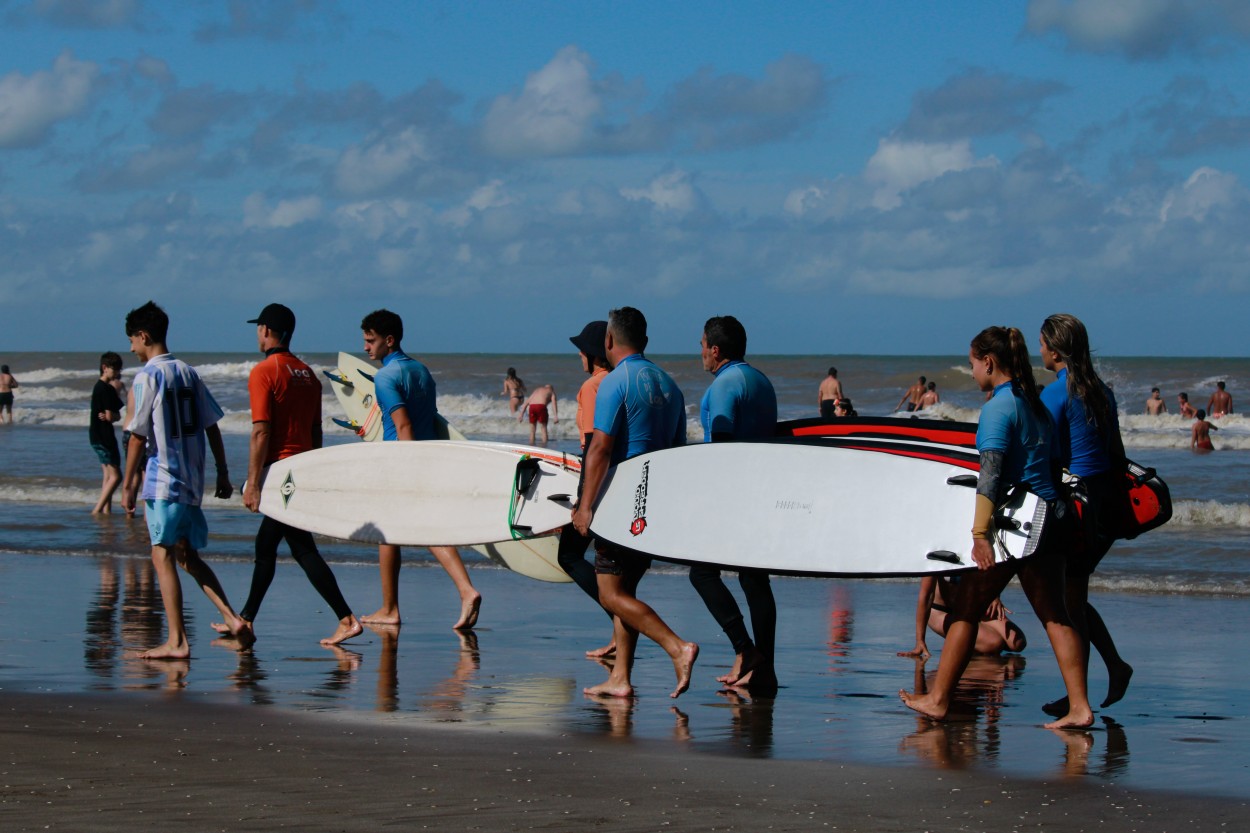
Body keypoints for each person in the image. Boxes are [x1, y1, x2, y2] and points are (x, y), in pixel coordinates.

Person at [899, 325, 1092, 729]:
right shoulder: (1033, 403)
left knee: (967, 605)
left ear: (988, 362)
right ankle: (1079, 707)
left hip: (1019, 526)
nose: (971, 372)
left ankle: (938, 699)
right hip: (1051, 519)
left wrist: (979, 536)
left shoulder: (999, 408)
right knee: (1055, 614)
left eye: (972, 364)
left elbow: (990, 477)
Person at [571, 306, 698, 699]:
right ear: (644, 340)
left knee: (610, 593)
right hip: (652, 504)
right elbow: (678, 453)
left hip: (621, 503)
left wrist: (586, 506)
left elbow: (601, 448)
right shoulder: (669, 385)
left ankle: (678, 647)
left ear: (609, 341)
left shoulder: (615, 382)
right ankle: (620, 678)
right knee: (626, 591)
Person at [217, 304, 362, 647]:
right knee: (278, 546)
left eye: (258, 328)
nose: (257, 334)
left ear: (266, 330)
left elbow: (261, 432)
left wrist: (253, 484)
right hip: (301, 473)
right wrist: (313, 476)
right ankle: (246, 620)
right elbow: (315, 433)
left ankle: (347, 618)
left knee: (296, 548)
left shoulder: (264, 372)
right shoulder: (309, 375)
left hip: (279, 476)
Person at [119, 301, 254, 658]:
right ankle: (233, 618)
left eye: (132, 340)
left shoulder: (148, 376)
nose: (131, 348)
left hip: (163, 480)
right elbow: (212, 425)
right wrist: (222, 473)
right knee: (186, 556)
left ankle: (177, 641)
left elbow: (136, 436)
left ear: (144, 336)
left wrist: (128, 483)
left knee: (160, 555)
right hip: (191, 481)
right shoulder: (188, 372)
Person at [357, 309, 481, 630]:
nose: (366, 348)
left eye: (371, 342)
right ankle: (393, 606)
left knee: (405, 530)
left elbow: (403, 425)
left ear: (389, 340)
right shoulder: (422, 371)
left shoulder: (385, 377)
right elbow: (435, 421)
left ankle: (458, 592)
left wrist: (407, 470)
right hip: (428, 457)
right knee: (401, 533)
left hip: (402, 461)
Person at [1039, 313, 1134, 713]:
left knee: (1066, 599)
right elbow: (1118, 454)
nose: (1038, 350)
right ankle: (1084, 688)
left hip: (1076, 506)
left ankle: (1104, 675)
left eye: (1041, 343)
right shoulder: (1102, 391)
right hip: (1104, 503)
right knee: (1073, 597)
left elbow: (1047, 456)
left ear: (1055, 350)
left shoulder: (1055, 395)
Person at [691, 315, 778, 692]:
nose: (700, 354)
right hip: (763, 493)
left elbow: (724, 447)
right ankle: (766, 670)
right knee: (755, 580)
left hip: (733, 496)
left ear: (715, 349)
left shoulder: (725, 385)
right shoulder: (762, 382)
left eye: (701, 346)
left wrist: (709, 498)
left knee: (701, 573)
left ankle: (745, 649)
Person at [557, 320, 616, 658]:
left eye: (582, 348)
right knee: (610, 564)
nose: (579, 353)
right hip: (614, 476)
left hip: (594, 476)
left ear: (593, 353)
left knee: (569, 555)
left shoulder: (593, 386)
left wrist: (584, 502)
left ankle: (620, 616)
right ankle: (619, 630)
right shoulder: (615, 380)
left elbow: (594, 443)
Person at [898, 575, 1027, 659]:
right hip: (940, 611)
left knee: (1017, 642)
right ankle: (964, 654)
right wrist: (919, 641)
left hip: (969, 605)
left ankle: (966, 643)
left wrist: (995, 595)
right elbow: (925, 597)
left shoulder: (975, 542)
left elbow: (992, 571)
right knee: (993, 643)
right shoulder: (937, 548)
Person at [89, 352, 125, 514]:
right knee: (116, 476)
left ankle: (106, 510)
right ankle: (97, 510)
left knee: (108, 475)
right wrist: (112, 416)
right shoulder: (106, 389)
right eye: (114, 369)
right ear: (105, 368)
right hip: (105, 436)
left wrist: (112, 416)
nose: (117, 373)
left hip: (96, 435)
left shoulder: (98, 387)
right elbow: (113, 416)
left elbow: (115, 415)